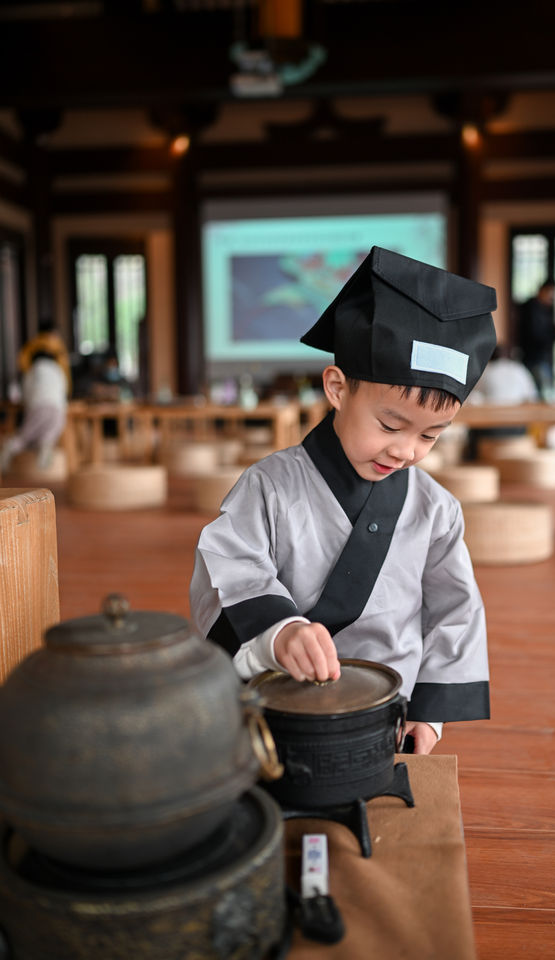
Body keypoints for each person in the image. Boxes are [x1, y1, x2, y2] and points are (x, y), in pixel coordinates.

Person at [190, 247, 497, 755]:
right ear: (337, 388)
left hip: (387, 712)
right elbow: (229, 568)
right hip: (279, 701)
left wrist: (429, 713)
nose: (405, 451)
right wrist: (281, 632)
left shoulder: (437, 510)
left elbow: (455, 611)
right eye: (390, 425)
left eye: (431, 436)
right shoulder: (269, 486)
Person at [466, 343, 539, 459]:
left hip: (490, 429)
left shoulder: (485, 371)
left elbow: (470, 398)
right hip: (518, 428)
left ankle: (474, 460)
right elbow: (532, 398)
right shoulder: (519, 370)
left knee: (472, 429)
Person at [0, 349, 68, 474]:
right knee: (51, 431)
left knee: (26, 435)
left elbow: (25, 395)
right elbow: (64, 390)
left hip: (38, 405)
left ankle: (9, 448)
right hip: (57, 407)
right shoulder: (58, 369)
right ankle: (45, 445)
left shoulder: (32, 371)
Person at [517, 279, 555, 399]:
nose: (551, 298)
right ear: (542, 290)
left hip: (542, 359)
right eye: (550, 293)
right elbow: (535, 336)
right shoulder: (531, 309)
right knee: (542, 397)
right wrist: (554, 332)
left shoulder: (545, 310)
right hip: (535, 359)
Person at [18, 317, 72, 396]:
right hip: (56, 391)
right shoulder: (57, 346)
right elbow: (64, 369)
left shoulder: (31, 345)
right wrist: (67, 391)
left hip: (33, 391)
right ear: (53, 332)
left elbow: (23, 365)